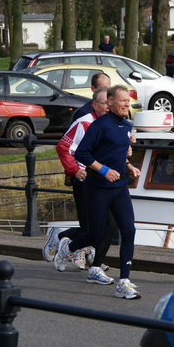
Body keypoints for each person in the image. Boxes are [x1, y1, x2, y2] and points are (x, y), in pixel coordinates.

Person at [54, 85, 142, 299]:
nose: (126, 105)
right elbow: (82, 153)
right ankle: (68, 248)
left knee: (128, 231)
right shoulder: (99, 125)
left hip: (119, 188)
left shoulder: (126, 125)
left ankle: (124, 282)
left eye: (128, 102)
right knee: (96, 234)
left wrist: (128, 166)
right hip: (98, 188)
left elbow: (117, 152)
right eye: (122, 101)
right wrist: (103, 170)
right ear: (110, 102)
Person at [43, 87, 116, 272]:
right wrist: (75, 170)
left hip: (101, 180)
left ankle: (94, 261)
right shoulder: (84, 123)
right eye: (104, 103)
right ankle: (61, 240)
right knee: (91, 227)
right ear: (94, 104)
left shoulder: (110, 123)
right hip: (83, 180)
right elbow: (63, 147)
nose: (108, 107)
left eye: (110, 103)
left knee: (107, 225)